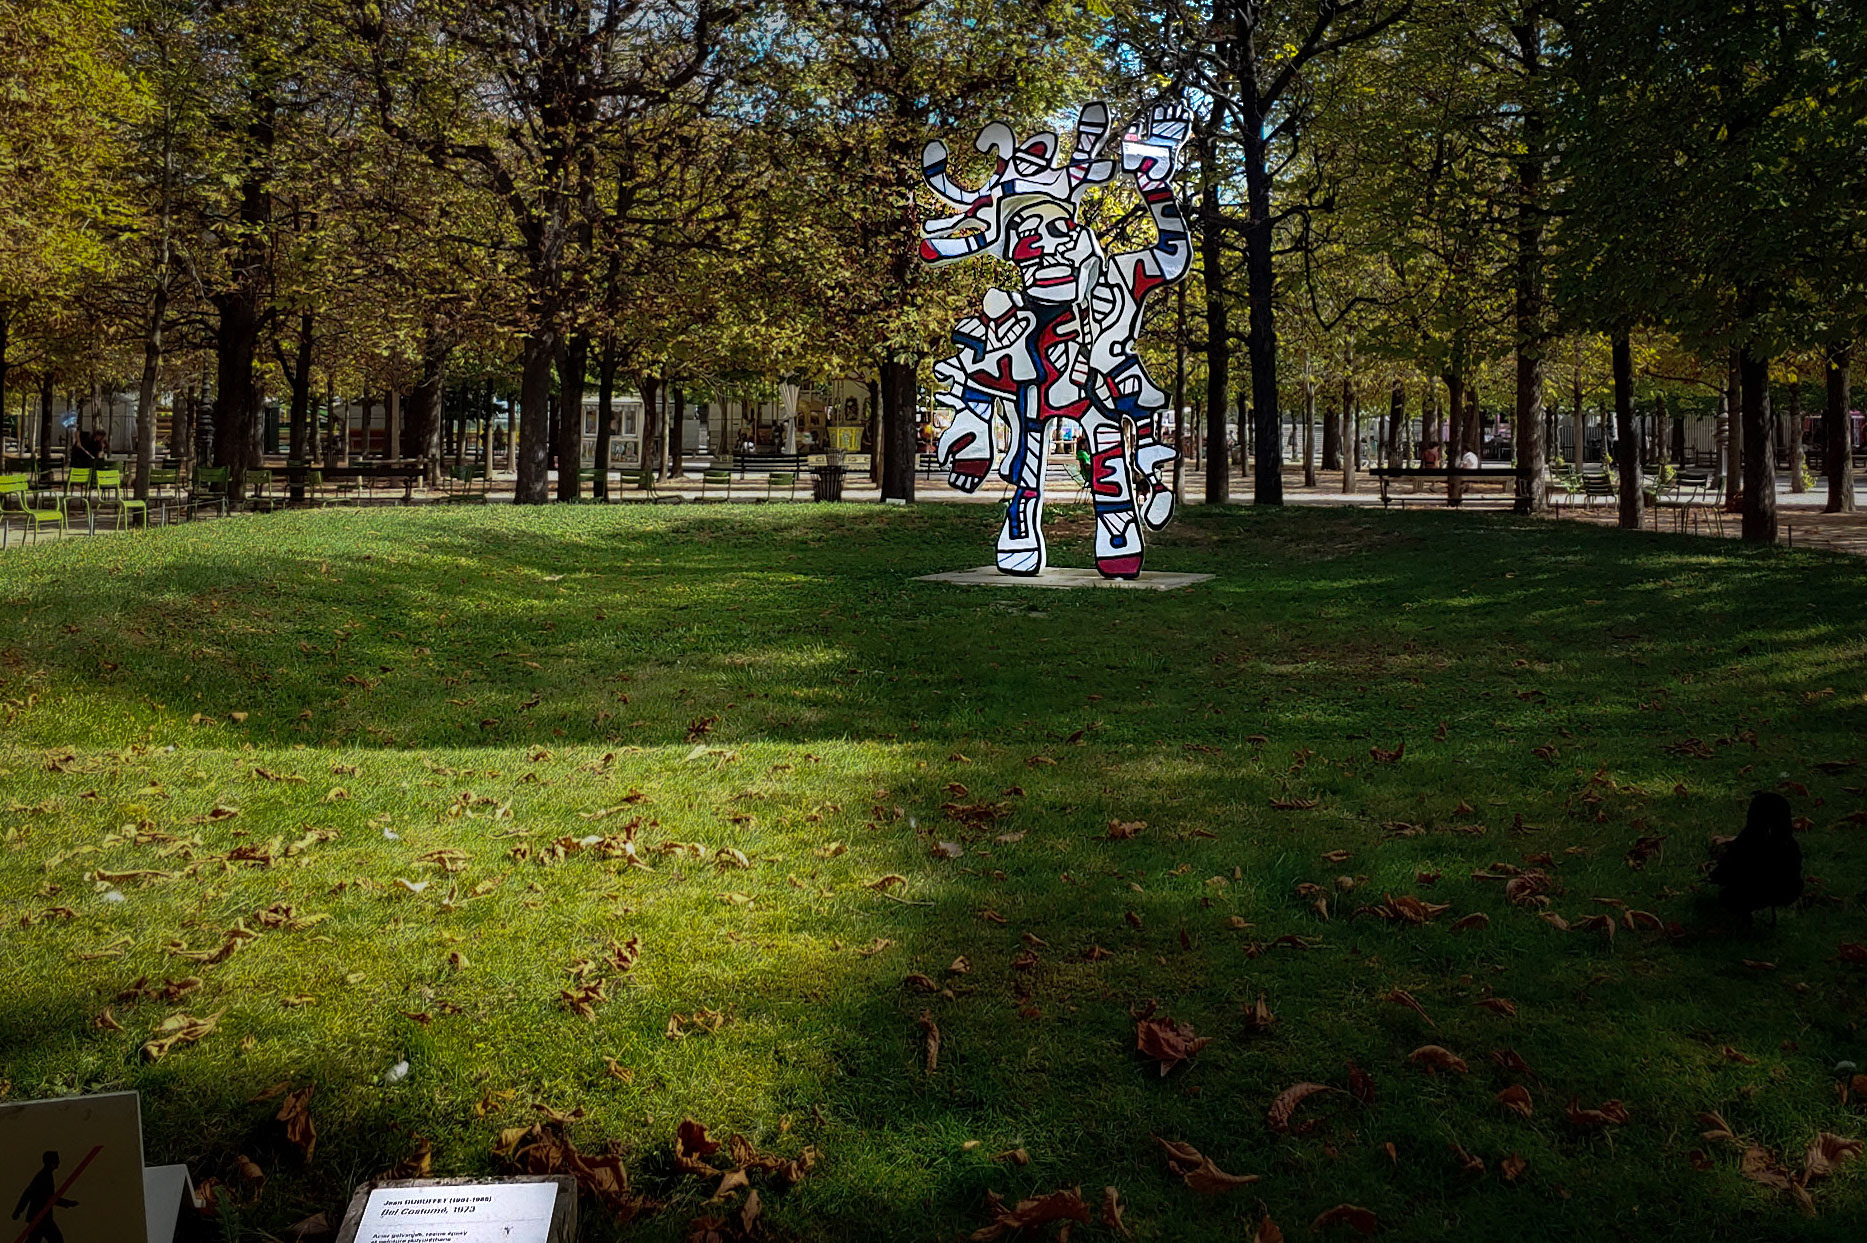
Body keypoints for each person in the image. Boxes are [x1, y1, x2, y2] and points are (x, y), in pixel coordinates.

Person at [12, 1149, 78, 1242]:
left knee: (36, 1240)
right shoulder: (44, 1176)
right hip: (41, 1218)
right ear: (52, 1163)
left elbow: (30, 1194)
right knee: (56, 1240)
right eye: (57, 1160)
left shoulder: (44, 1175)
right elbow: (34, 1194)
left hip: (39, 1217)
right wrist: (18, 1211)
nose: (59, 1162)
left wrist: (18, 1211)